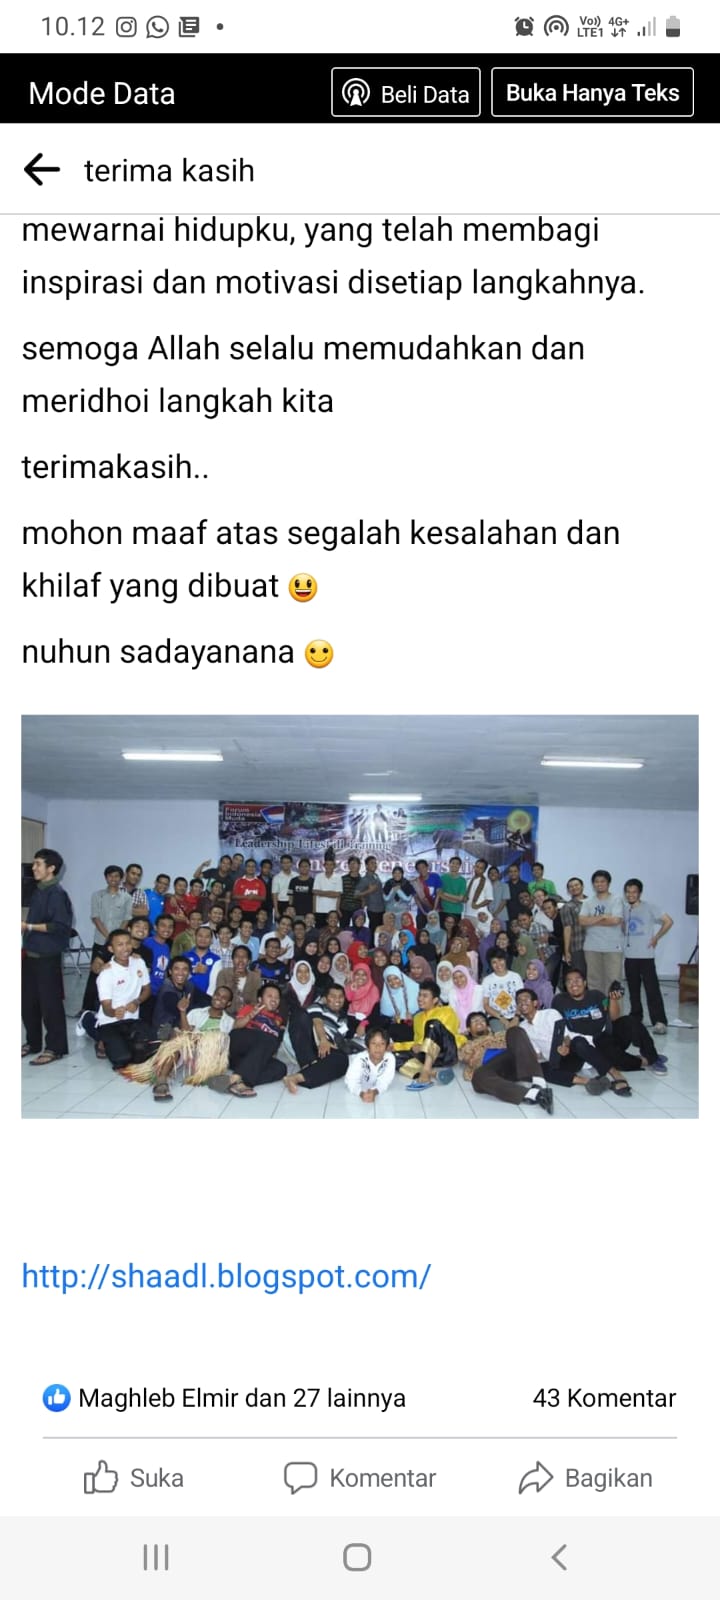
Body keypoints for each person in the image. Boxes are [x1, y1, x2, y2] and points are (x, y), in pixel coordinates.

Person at [126, 982, 236, 1102]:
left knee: (210, 1041)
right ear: (213, 995)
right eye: (217, 994)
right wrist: (182, 1011)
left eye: (224, 998)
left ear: (228, 1003)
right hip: (188, 1049)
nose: (219, 998)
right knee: (176, 1044)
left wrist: (202, 1039)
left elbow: (222, 1044)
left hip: (206, 1057)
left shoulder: (229, 1022)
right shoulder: (196, 1012)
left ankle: (213, 1078)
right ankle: (161, 1080)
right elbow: (185, 1031)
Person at [530, 974, 633, 1095]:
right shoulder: (558, 1001)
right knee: (538, 1069)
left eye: (577, 980)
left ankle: (616, 1074)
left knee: (579, 1041)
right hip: (572, 1054)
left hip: (594, 1043)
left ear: (585, 983)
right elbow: (557, 1032)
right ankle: (590, 1082)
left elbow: (613, 1017)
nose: (574, 984)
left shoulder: (596, 995)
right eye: (569, 981)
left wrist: (613, 1000)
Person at [21, 848, 73, 1065]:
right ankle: (32, 1042)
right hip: (30, 955)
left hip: (47, 957)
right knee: (27, 1002)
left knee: (50, 1004)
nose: (33, 868)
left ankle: (55, 1047)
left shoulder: (57, 894)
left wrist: (28, 926)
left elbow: (59, 926)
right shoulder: (38, 890)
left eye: (38, 864)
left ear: (51, 868)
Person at [469, 991, 555, 1114]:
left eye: (526, 999)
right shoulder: (469, 1045)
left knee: (514, 1031)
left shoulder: (548, 1015)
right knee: (477, 1077)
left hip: (525, 1063)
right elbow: (469, 1060)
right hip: (504, 1066)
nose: (522, 1002)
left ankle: (539, 1083)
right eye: (519, 1001)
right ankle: (534, 1095)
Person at [285, 983, 361, 1092]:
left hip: (328, 1046)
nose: (337, 999)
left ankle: (297, 1078)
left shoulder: (344, 1019)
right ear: (325, 998)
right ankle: (308, 1063)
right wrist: (323, 1040)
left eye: (340, 996)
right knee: (299, 1015)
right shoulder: (318, 1006)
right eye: (333, 996)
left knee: (343, 1059)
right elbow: (318, 1022)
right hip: (312, 1041)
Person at [95, 928, 152, 1070]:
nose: (125, 948)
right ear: (111, 949)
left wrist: (137, 1001)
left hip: (132, 1019)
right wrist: (114, 1012)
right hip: (110, 1021)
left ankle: (124, 1042)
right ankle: (89, 1022)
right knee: (122, 1060)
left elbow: (147, 990)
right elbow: (106, 1008)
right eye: (120, 945)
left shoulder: (139, 962)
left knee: (143, 1055)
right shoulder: (106, 973)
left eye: (128, 943)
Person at [623, 878, 673, 1034]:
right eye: (628, 892)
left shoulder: (650, 907)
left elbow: (668, 921)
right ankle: (636, 1016)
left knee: (652, 990)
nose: (631, 895)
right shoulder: (624, 908)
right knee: (633, 990)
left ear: (640, 893)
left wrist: (656, 937)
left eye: (634, 892)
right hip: (629, 956)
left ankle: (659, 1021)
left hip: (646, 956)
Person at [81, 864, 133, 1013]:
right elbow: (95, 917)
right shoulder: (97, 895)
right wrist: (108, 936)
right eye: (110, 876)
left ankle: (111, 1007)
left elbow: (127, 918)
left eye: (117, 876)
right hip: (100, 941)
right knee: (95, 974)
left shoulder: (126, 897)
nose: (113, 879)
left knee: (117, 974)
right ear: (106, 878)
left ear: (121, 878)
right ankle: (86, 1008)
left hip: (119, 945)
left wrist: (116, 938)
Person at [398, 979, 466, 1087]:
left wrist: (422, 1046)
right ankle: (433, 1073)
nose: (420, 999)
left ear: (435, 1000)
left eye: (425, 996)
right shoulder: (417, 1017)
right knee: (395, 1057)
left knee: (433, 1024)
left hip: (447, 1053)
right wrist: (395, 1046)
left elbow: (448, 1036)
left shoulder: (447, 1011)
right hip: (429, 1056)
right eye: (419, 995)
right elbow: (418, 1042)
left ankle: (426, 1071)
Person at [226, 983, 287, 1097]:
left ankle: (238, 1081)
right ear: (260, 999)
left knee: (281, 1068)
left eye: (277, 998)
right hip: (238, 1044)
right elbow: (236, 1026)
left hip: (246, 1060)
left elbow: (270, 1050)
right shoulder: (250, 1008)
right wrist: (251, 1015)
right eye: (270, 996)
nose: (274, 1000)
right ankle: (238, 1078)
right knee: (269, 1039)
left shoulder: (278, 1020)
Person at [579, 870, 625, 992]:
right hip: (592, 947)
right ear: (593, 884)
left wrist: (591, 920)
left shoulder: (616, 900)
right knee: (594, 981)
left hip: (612, 947)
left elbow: (615, 920)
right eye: (596, 882)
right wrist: (603, 916)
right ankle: (598, 1005)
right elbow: (582, 921)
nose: (599, 884)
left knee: (614, 982)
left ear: (608, 883)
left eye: (602, 881)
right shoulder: (587, 902)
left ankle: (613, 1006)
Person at [345, 1026, 397, 1101]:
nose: (378, 1047)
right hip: (349, 1061)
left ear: (386, 1047)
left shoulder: (390, 1059)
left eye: (382, 1043)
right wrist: (361, 1094)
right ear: (367, 1047)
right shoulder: (359, 1059)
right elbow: (351, 1081)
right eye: (373, 1043)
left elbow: (385, 1081)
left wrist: (375, 1092)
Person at [380, 965, 420, 1054]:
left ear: (401, 977)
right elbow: (383, 1018)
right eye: (389, 980)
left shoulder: (415, 989)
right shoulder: (386, 995)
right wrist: (392, 1019)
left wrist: (414, 1017)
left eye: (396, 978)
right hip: (397, 1032)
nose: (393, 982)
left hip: (416, 1028)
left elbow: (425, 1009)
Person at [479, 949, 523, 1029]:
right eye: (494, 962)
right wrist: (502, 1018)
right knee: (500, 1034)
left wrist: (516, 1017)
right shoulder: (487, 980)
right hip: (496, 1017)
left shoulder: (516, 977)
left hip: (516, 1015)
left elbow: (521, 1000)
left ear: (505, 960)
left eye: (500, 960)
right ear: (490, 964)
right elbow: (485, 1004)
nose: (498, 964)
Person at [152, 955, 197, 1034]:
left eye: (184, 969)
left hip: (179, 1024)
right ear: (170, 971)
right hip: (162, 1030)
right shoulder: (166, 989)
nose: (180, 973)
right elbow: (178, 1015)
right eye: (176, 969)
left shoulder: (189, 986)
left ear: (189, 972)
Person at [209, 942, 262, 1006]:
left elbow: (255, 1002)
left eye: (244, 957)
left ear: (249, 961)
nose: (240, 960)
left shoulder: (255, 978)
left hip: (247, 1011)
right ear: (232, 959)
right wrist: (231, 983)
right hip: (225, 1010)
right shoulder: (223, 973)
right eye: (237, 957)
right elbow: (219, 997)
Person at [459, 1011, 506, 1079]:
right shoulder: (467, 1047)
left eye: (482, 1020)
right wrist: (483, 1045)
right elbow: (471, 1062)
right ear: (468, 1029)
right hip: (490, 1073)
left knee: (515, 1032)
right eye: (474, 1021)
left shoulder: (500, 1037)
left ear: (488, 1027)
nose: (479, 1022)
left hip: (509, 1063)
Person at [184, 925, 223, 995]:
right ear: (195, 937)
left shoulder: (216, 959)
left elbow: (214, 984)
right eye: (200, 936)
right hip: (185, 996)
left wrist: (207, 998)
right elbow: (178, 978)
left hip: (206, 998)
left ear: (211, 940)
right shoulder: (184, 956)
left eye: (207, 937)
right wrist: (193, 971)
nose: (203, 939)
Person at [560, 877, 587, 977]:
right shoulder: (567, 907)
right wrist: (567, 951)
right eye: (571, 887)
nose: (574, 888)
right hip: (577, 947)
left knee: (595, 976)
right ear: (568, 890)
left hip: (595, 946)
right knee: (580, 976)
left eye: (576, 885)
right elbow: (567, 929)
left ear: (582, 886)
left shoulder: (592, 903)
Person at [356, 855, 386, 934]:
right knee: (374, 931)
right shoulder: (364, 879)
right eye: (372, 863)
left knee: (381, 932)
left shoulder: (376, 876)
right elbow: (356, 894)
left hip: (382, 908)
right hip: (373, 910)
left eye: (375, 863)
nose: (374, 865)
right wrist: (369, 891)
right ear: (366, 866)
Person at [344, 962, 380, 1027]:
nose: (360, 977)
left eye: (364, 975)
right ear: (353, 975)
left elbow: (374, 1012)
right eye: (357, 974)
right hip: (349, 1018)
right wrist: (352, 990)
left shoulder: (373, 989)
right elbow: (347, 1001)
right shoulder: (349, 986)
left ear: (368, 976)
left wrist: (364, 1023)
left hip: (367, 1021)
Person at [449, 965, 483, 1031]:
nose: (458, 980)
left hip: (477, 1023)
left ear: (467, 976)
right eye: (455, 978)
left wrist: (468, 1028)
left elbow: (475, 1010)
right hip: (460, 1027)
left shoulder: (478, 989)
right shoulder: (452, 992)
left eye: (461, 976)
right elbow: (454, 1012)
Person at [313, 854, 343, 926]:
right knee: (319, 930)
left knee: (332, 930)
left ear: (334, 866)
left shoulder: (338, 877)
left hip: (332, 910)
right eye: (327, 864)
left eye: (331, 865)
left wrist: (321, 893)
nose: (329, 866)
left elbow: (337, 894)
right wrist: (314, 910)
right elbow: (315, 892)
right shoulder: (318, 876)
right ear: (324, 865)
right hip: (319, 910)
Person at [464, 859, 493, 929]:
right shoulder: (469, 881)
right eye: (477, 867)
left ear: (484, 870)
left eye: (481, 868)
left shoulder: (487, 882)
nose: (478, 869)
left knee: (478, 935)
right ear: (474, 867)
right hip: (467, 913)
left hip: (479, 915)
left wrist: (478, 906)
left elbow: (489, 899)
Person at [438, 856, 467, 926]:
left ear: (460, 866)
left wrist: (446, 894)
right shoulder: (442, 878)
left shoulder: (462, 880)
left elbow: (460, 898)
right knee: (443, 931)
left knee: (455, 931)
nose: (454, 865)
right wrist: (455, 901)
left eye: (457, 864)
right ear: (449, 864)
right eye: (453, 863)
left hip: (456, 911)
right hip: (444, 910)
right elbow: (440, 894)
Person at [412, 858, 441, 926]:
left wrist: (434, 910)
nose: (422, 870)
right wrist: (423, 912)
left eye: (423, 867)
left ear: (427, 867)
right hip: (422, 912)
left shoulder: (435, 877)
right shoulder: (416, 882)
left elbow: (438, 894)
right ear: (417, 870)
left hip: (436, 911)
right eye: (419, 868)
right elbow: (417, 899)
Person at [339, 855, 363, 926]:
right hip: (344, 909)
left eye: (354, 863)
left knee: (357, 928)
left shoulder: (363, 880)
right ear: (348, 866)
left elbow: (364, 898)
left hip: (357, 909)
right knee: (344, 929)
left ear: (359, 865)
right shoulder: (343, 879)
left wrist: (362, 910)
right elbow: (339, 895)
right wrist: (338, 909)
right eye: (351, 864)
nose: (352, 865)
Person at [271, 854, 294, 919]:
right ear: (281, 864)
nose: (286, 864)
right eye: (284, 863)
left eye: (288, 862)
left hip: (294, 903)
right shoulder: (276, 877)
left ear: (291, 863)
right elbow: (274, 895)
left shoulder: (296, 875)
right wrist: (276, 910)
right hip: (281, 903)